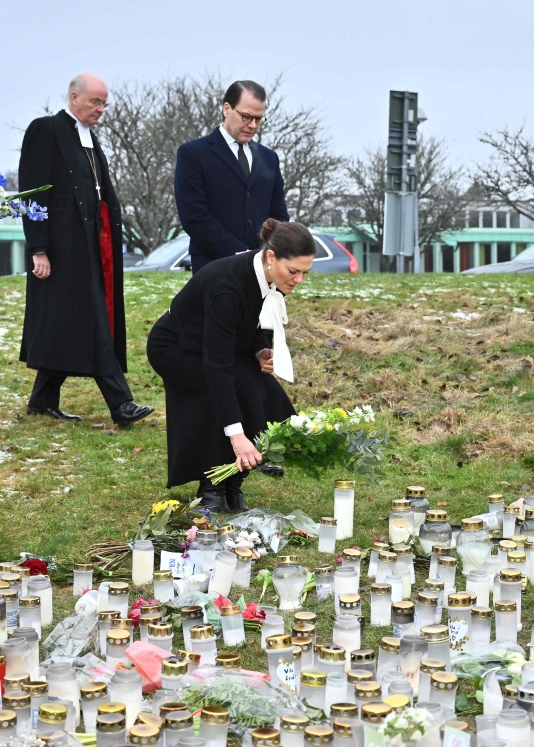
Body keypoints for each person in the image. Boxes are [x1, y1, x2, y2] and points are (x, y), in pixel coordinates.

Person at [146, 219, 315, 511]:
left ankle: (233, 482)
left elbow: (251, 317)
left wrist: (260, 348)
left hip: (214, 346)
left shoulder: (265, 271)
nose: (298, 280)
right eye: (294, 271)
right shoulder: (227, 286)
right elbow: (217, 367)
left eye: (305, 273)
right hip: (175, 349)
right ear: (271, 257)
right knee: (225, 391)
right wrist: (237, 436)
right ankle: (211, 486)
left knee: (264, 392)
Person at [18, 73, 153, 426]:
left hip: (94, 248)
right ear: (74, 97)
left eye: (104, 103)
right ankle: (121, 403)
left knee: (68, 324)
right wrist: (38, 248)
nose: (101, 109)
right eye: (95, 102)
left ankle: (41, 399)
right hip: (61, 250)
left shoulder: (89, 139)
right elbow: (33, 194)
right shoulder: (45, 130)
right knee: (93, 322)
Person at [174, 80, 289, 275]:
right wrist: (239, 253)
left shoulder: (270, 158)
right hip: (214, 267)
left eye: (259, 119)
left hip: (263, 269)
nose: (252, 125)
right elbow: (194, 217)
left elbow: (278, 215)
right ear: (227, 109)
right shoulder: (193, 153)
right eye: (246, 117)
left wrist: (266, 252)